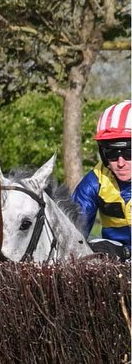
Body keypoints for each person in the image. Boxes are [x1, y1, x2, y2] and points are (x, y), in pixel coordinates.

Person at [71, 100, 131, 254]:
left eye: (128, 153)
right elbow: (73, 236)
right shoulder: (93, 182)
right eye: (111, 154)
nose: (120, 163)